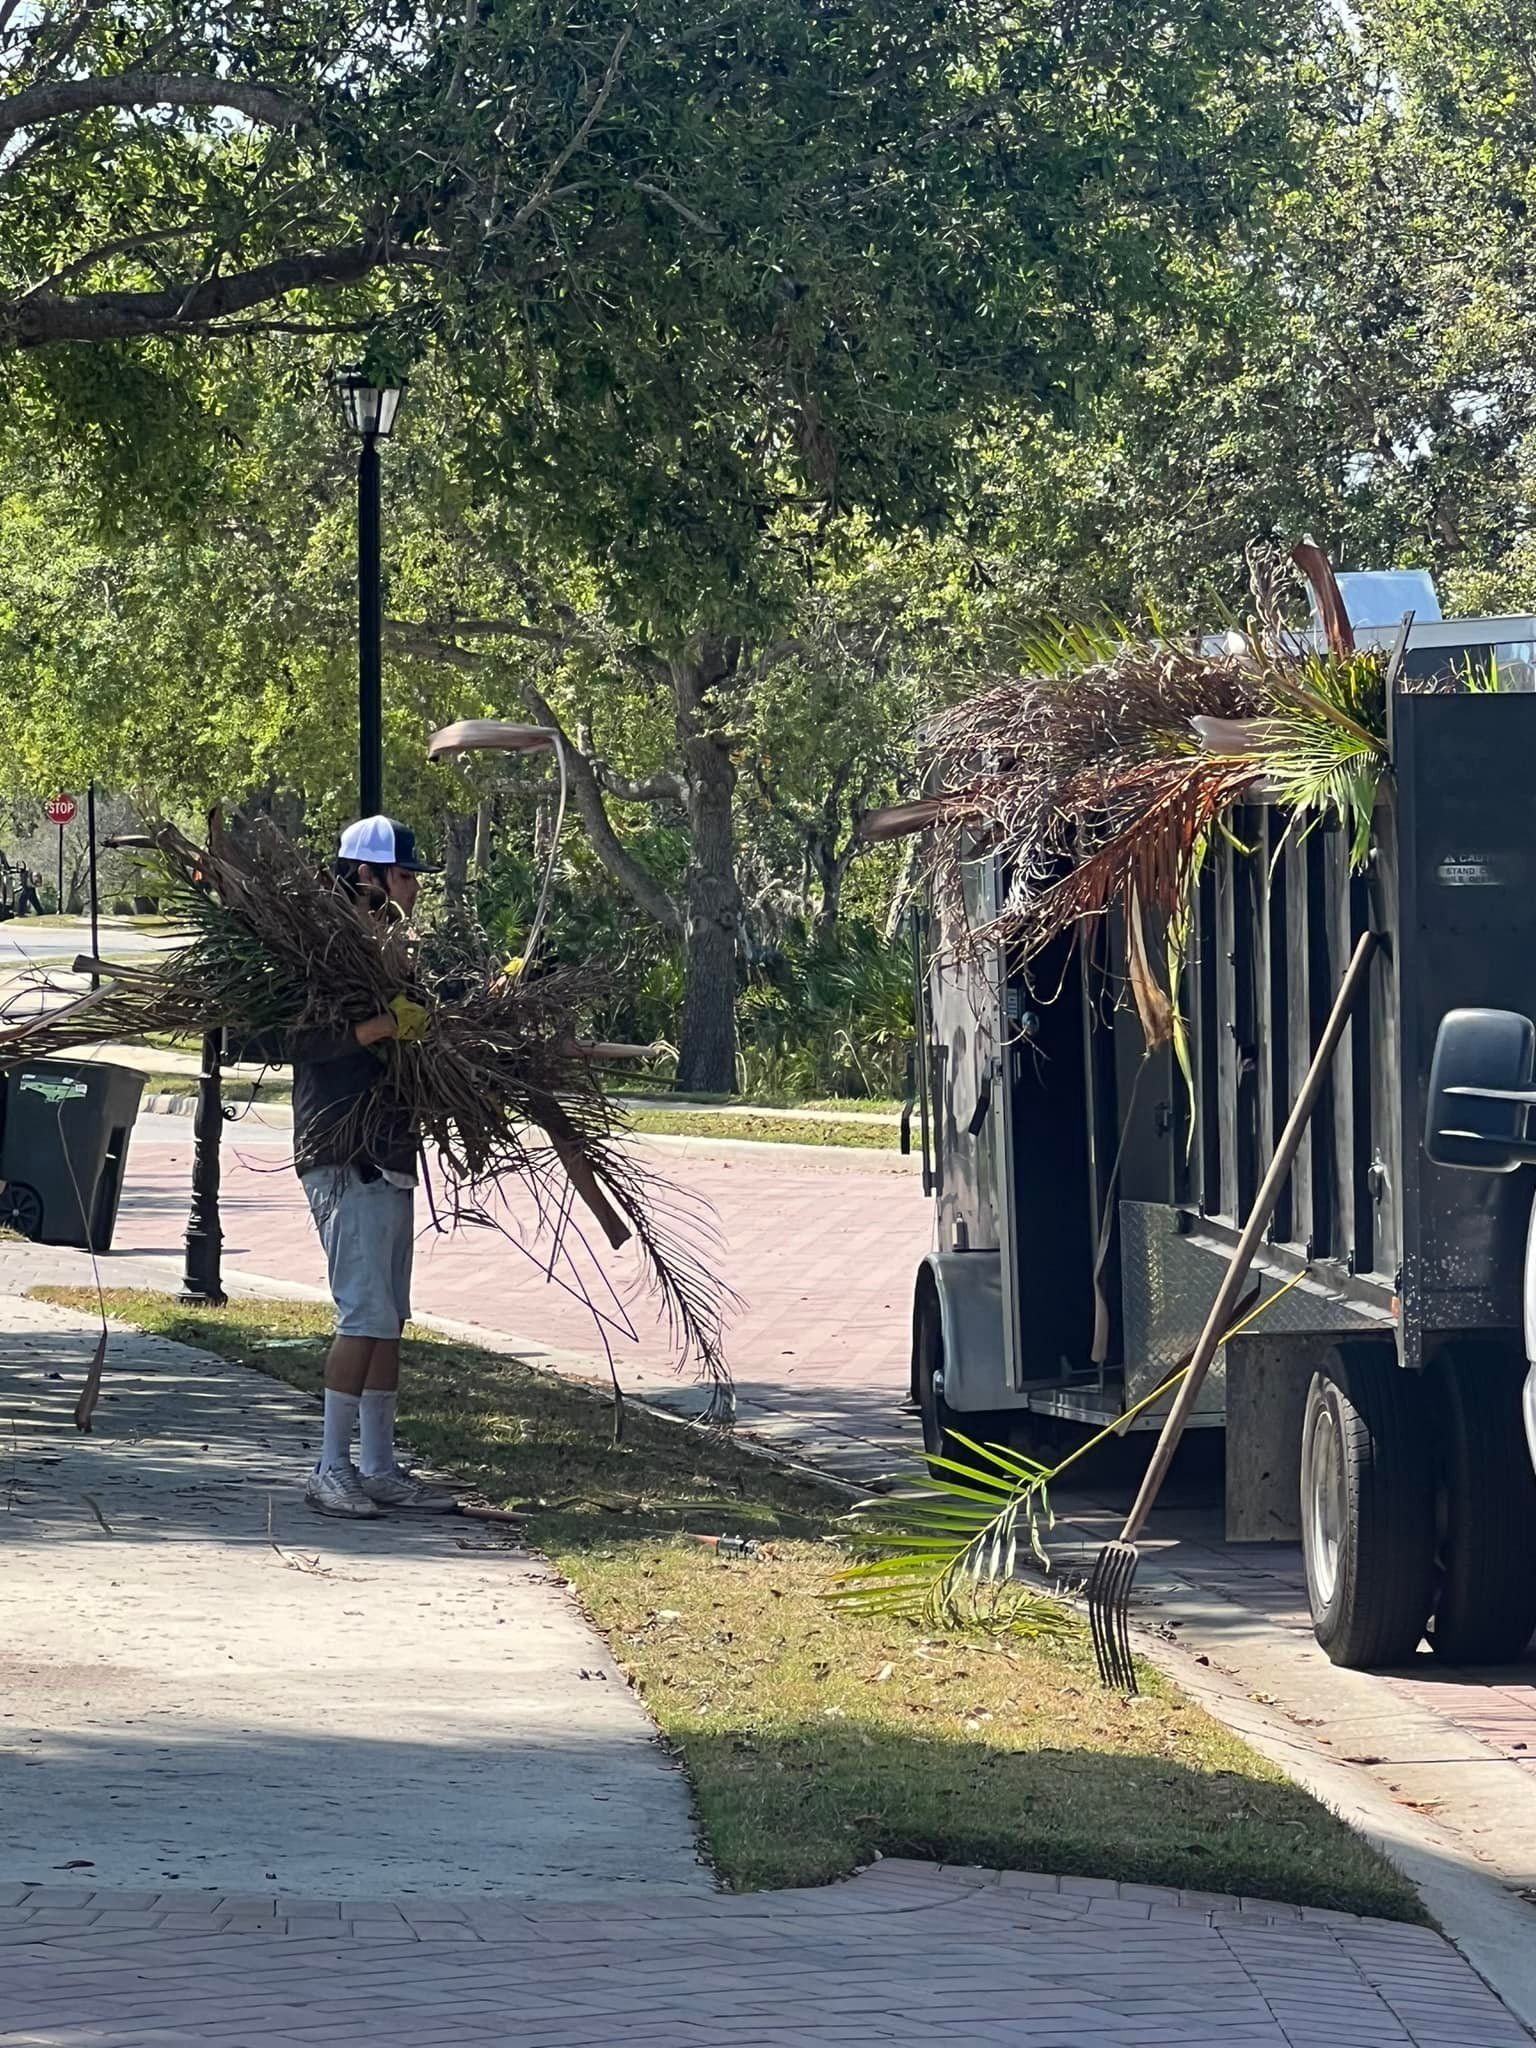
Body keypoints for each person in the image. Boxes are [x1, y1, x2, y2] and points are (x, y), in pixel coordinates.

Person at [290, 815, 456, 1519]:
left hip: (389, 1154)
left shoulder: (395, 960)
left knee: (389, 1317)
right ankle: (330, 1467)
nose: (415, 889)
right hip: (343, 1155)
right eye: (405, 875)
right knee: (361, 1314)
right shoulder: (321, 957)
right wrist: (373, 1030)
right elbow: (280, 1037)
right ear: (368, 878)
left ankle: (380, 1464)